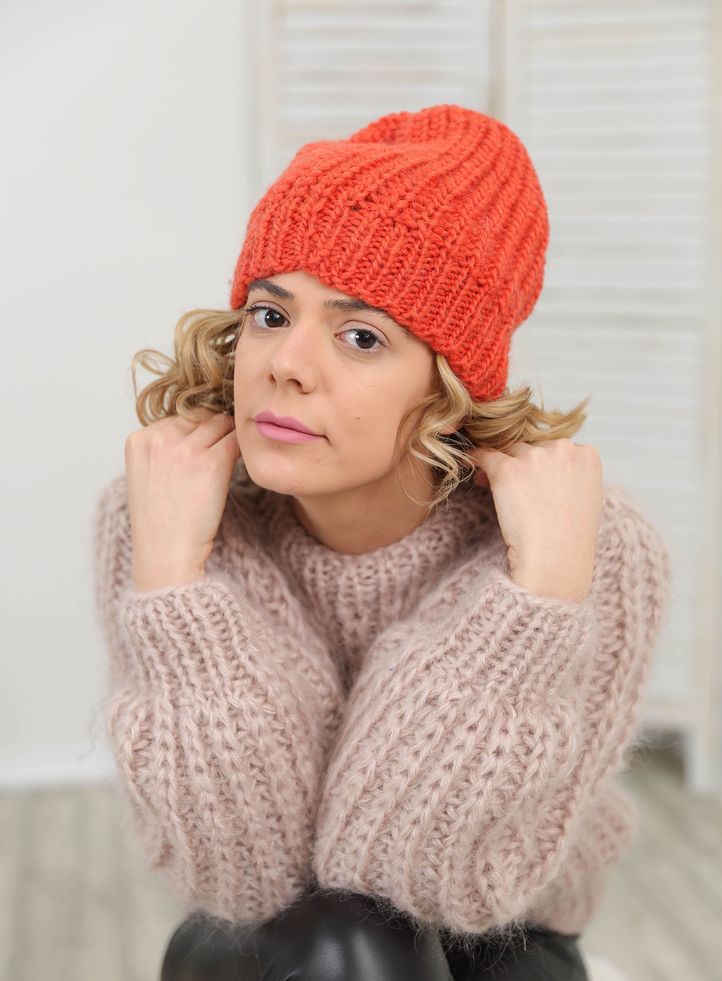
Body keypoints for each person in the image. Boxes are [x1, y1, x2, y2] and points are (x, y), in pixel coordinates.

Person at [92, 104, 671, 980]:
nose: (285, 364)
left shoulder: (583, 544)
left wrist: (537, 604)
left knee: (396, 944)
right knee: (335, 943)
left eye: (361, 335)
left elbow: (417, 875)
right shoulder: (167, 515)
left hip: (502, 936)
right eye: (269, 314)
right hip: (269, 939)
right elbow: (238, 873)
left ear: (449, 387)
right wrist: (175, 590)